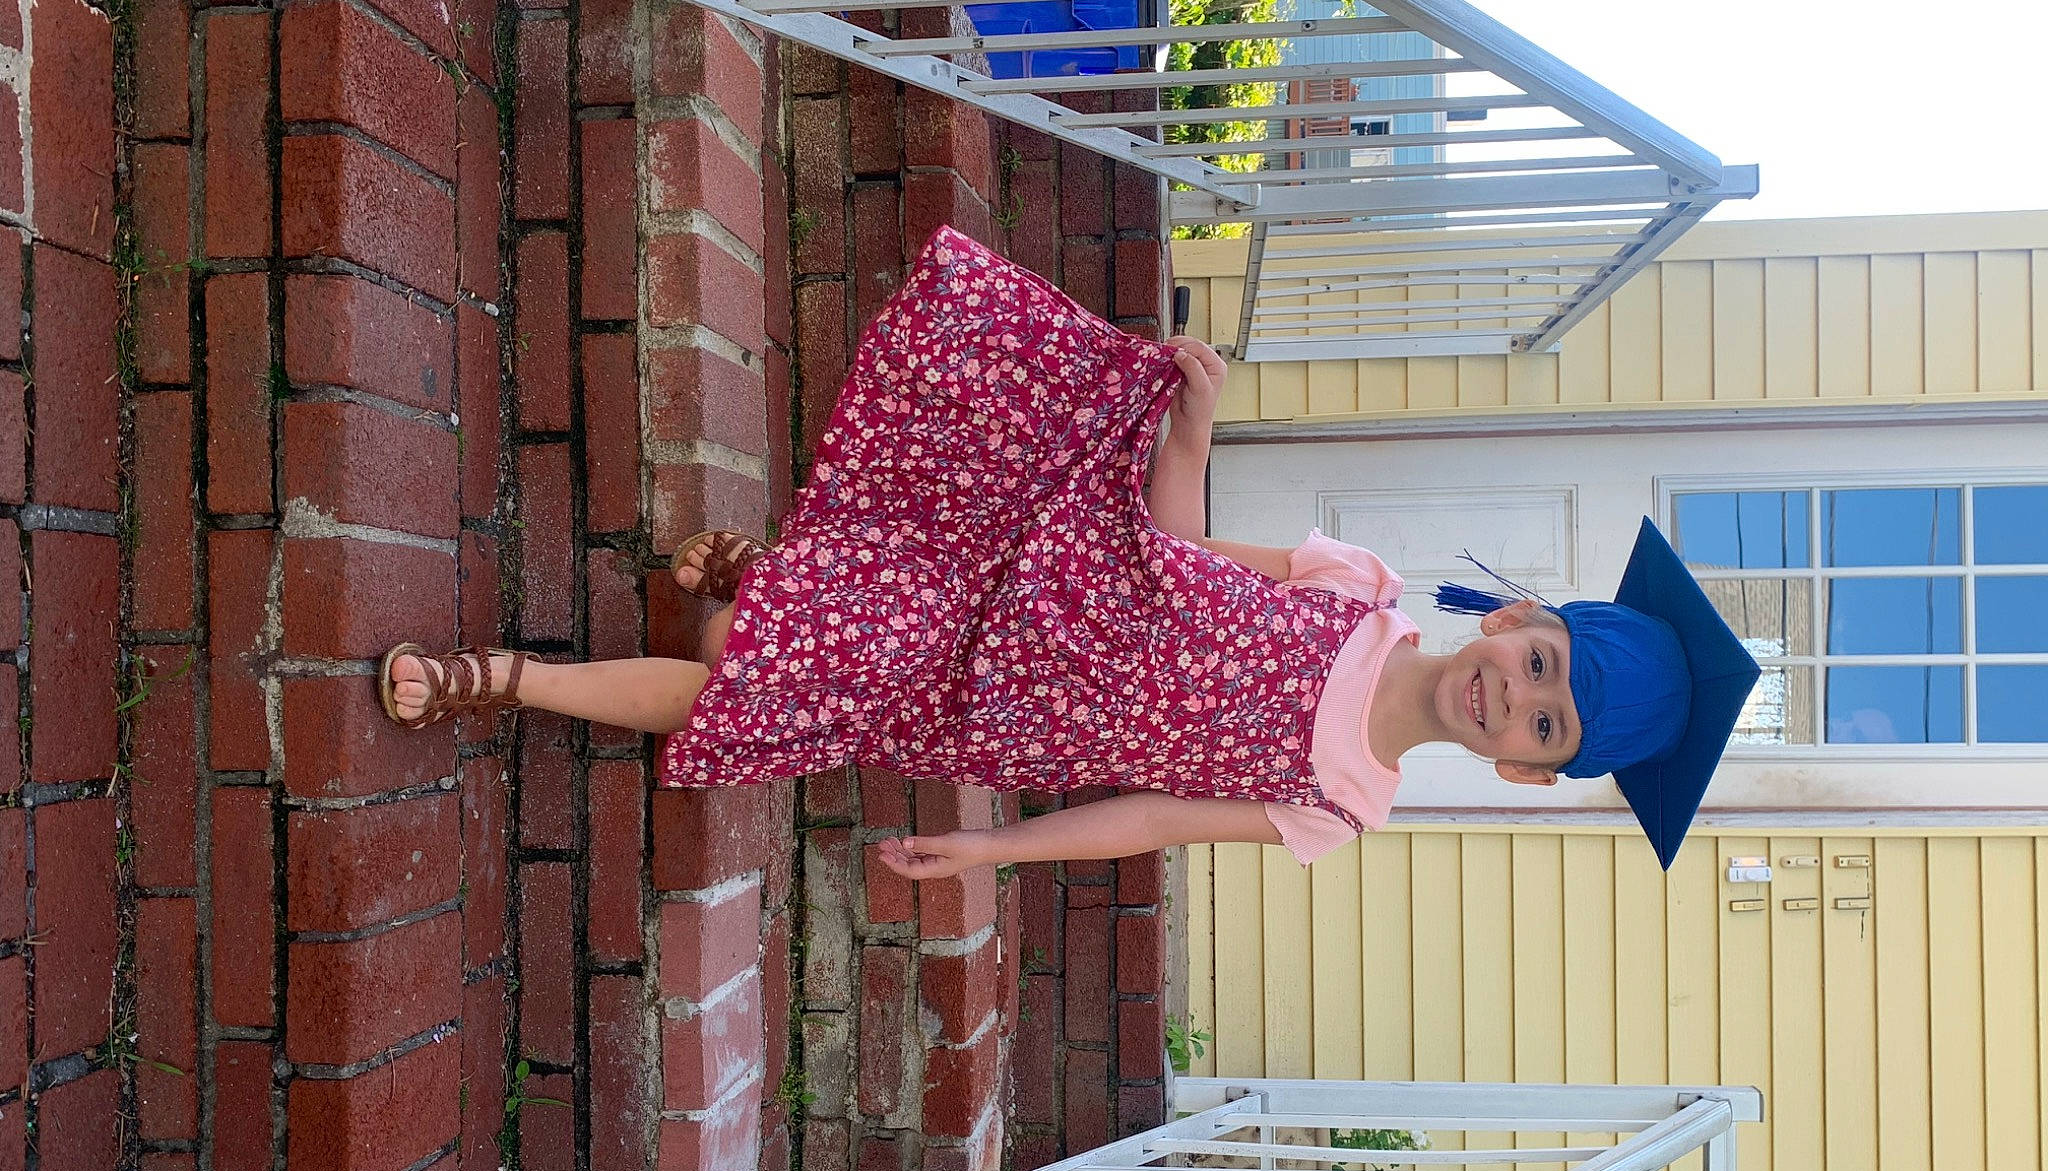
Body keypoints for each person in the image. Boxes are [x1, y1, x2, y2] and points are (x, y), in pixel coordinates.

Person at [379, 228, 1758, 880]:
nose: (1514, 691)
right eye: (1540, 660)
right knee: (795, 648)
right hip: (1035, 573)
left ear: (1525, 767)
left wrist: (997, 854)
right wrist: (1194, 419)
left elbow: (1150, 815)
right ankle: (535, 662)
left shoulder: (1341, 805)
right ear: (1518, 616)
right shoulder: (1360, 591)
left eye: (1543, 719)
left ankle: (607, 645)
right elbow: (1178, 548)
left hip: (1004, 707)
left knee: (780, 676)